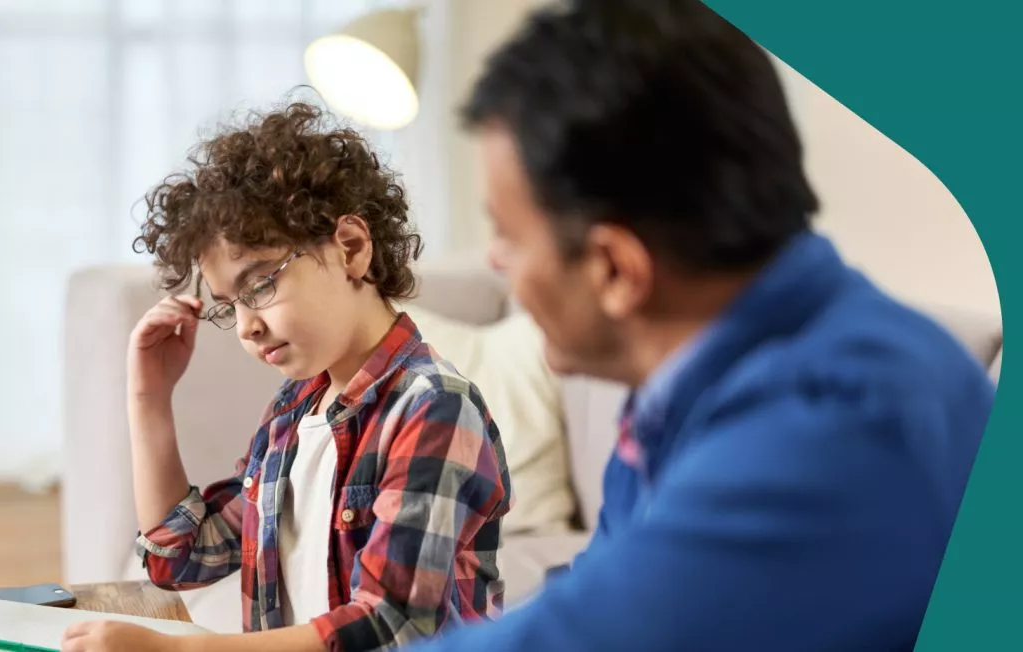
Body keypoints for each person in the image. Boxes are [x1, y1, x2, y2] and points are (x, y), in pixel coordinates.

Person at [409, 1, 996, 650]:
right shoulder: (682, 390)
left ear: (614, 269)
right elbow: (603, 592)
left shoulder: (838, 429)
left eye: (507, 233)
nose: (495, 259)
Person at [61, 102, 512, 652]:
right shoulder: (294, 414)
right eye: (231, 305)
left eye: (260, 285)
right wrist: (148, 397)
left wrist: (181, 651)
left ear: (351, 248)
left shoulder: (434, 407)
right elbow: (180, 557)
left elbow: (391, 626)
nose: (247, 327)